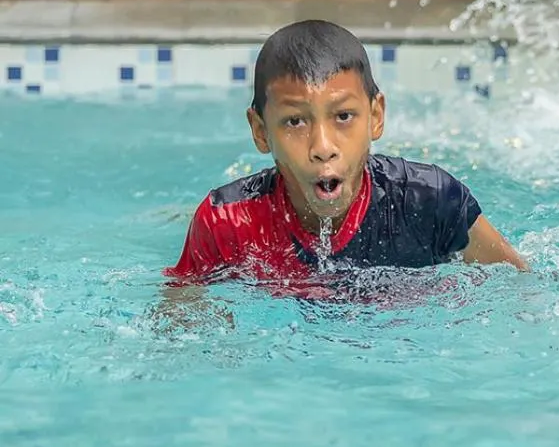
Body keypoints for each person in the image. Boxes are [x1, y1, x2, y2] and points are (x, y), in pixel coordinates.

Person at [166, 19, 527, 286]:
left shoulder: (429, 202)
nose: (323, 147)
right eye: (295, 122)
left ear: (375, 116)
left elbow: (521, 291)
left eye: (343, 116)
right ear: (261, 132)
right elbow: (181, 321)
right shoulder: (228, 223)